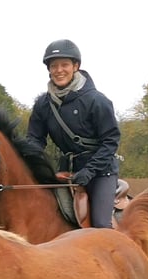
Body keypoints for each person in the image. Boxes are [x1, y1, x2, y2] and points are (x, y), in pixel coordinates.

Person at [27, 39, 121, 229]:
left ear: (76, 66)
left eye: (65, 65)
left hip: (100, 172)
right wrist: (32, 166)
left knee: (101, 226)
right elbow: (35, 140)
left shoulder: (97, 101)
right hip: (66, 174)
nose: (59, 70)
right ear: (49, 69)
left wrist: (90, 170)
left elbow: (110, 141)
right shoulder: (43, 105)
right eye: (54, 66)